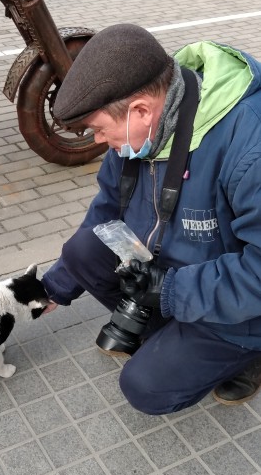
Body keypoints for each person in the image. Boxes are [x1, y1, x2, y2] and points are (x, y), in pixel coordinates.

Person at [41, 23, 261, 415]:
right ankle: (170, 335)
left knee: (146, 388)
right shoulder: (138, 130)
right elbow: (107, 208)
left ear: (141, 110)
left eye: (97, 129)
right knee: (83, 250)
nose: (95, 141)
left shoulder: (249, 149)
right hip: (177, 275)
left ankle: (249, 355)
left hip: (243, 303)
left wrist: (171, 290)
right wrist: (53, 287)